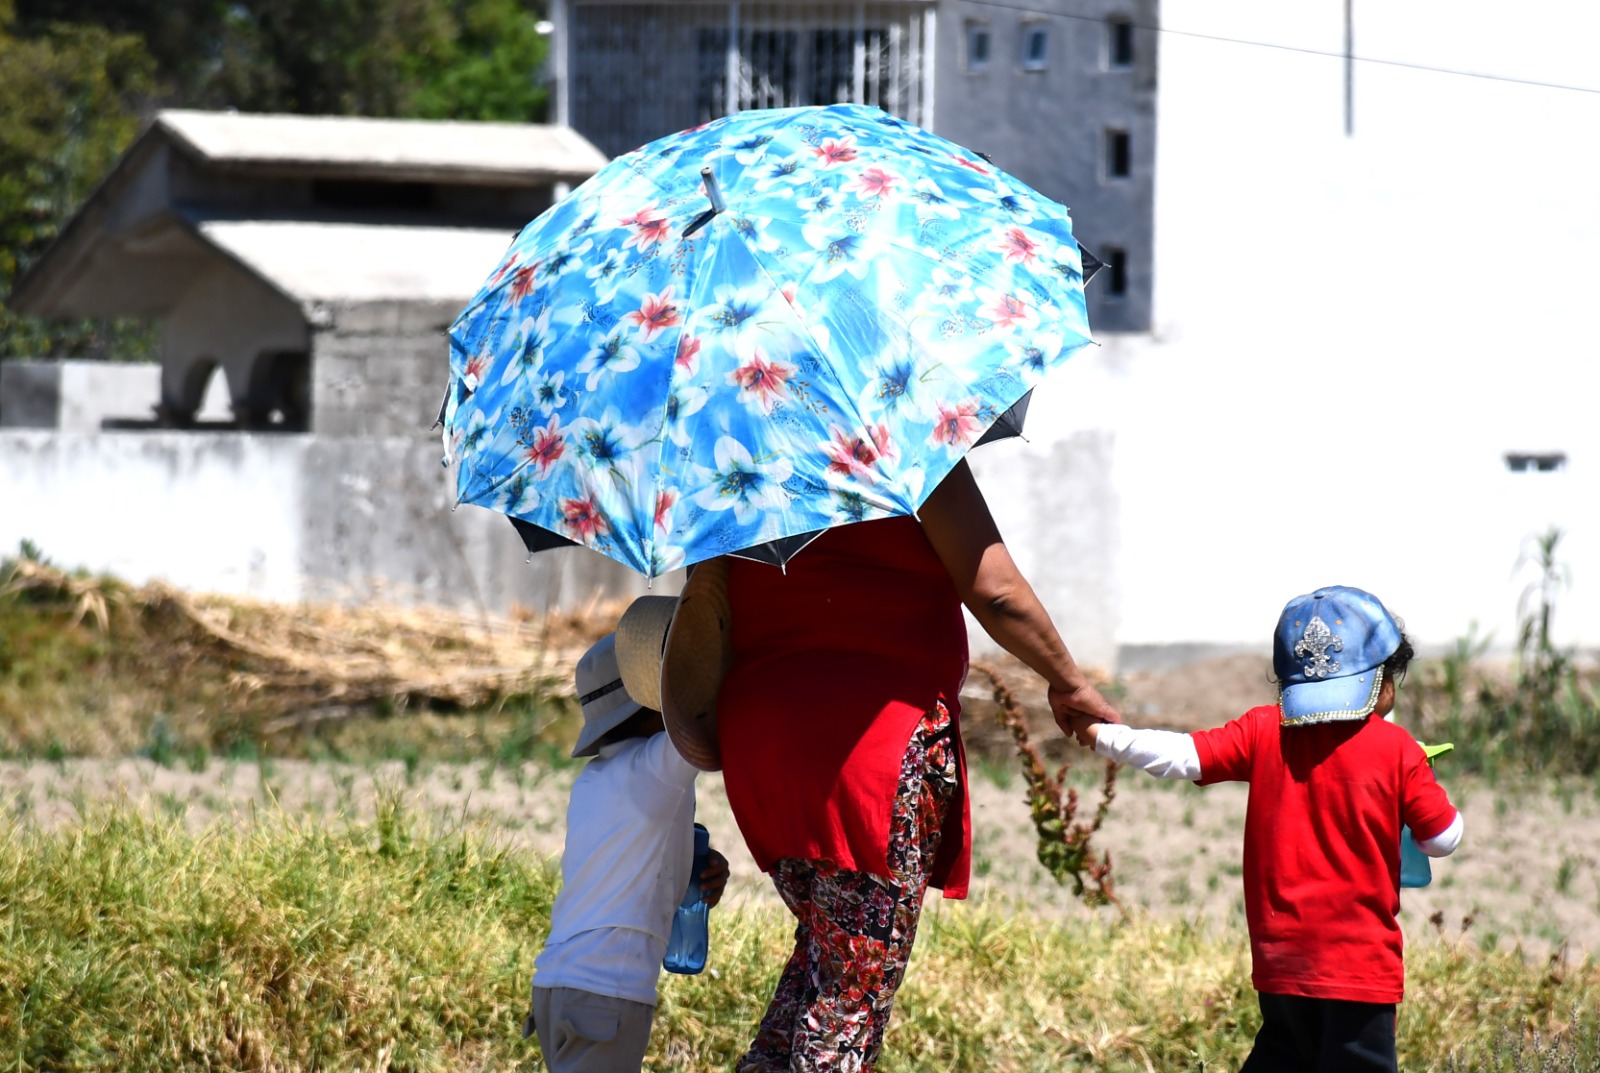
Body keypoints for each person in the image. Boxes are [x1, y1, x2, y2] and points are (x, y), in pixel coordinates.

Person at [656, 459, 1122, 1072]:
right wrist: (1068, 682)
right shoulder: (895, 438)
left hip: (764, 745)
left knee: (826, 966)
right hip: (869, 754)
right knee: (849, 1003)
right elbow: (996, 590)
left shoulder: (728, 455)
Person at [1066, 585, 1464, 1073]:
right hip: (1359, 969)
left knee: (1284, 1055)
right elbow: (1443, 838)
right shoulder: (1399, 749)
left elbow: (1180, 755)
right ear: (1383, 679)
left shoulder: (1263, 729)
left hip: (1280, 963)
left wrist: (1101, 734)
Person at [524, 596, 730, 1073]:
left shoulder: (597, 779)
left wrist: (692, 867)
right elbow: (700, 723)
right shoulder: (651, 770)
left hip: (559, 984)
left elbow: (635, 859)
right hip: (605, 995)